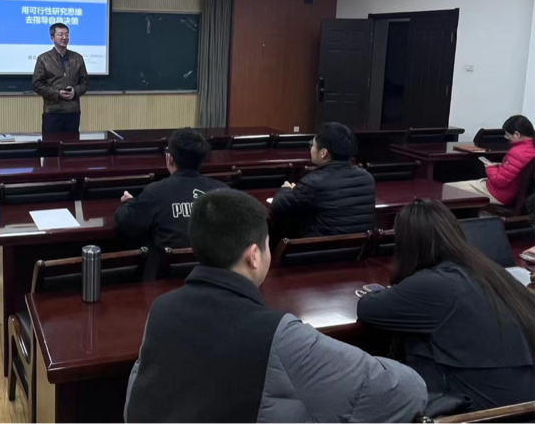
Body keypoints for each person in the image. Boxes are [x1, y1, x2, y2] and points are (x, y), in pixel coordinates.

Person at [124, 190, 427, 424]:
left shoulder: (161, 310)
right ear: (254, 256)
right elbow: (406, 392)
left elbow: (135, 400)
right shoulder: (280, 335)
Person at [357, 200, 535, 411]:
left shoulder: (434, 283)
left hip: (480, 411)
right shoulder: (491, 271)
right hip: (522, 405)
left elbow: (367, 308)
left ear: (407, 245)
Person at [115, 128, 229, 278]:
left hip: (166, 282)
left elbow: (124, 224)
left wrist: (129, 203)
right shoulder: (223, 191)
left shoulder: (155, 192)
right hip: (213, 278)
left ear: (170, 158)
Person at [270, 122, 376, 238]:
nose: (311, 148)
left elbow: (278, 206)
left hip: (322, 247)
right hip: (359, 247)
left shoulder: (313, 182)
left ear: (323, 153)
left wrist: (286, 189)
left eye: (312, 145)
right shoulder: (367, 178)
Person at [448, 115, 535, 206]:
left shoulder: (517, 152)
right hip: (511, 194)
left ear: (517, 134)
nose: (507, 138)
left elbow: (499, 181)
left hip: (498, 193)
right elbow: (516, 169)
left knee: (448, 188)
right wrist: (500, 166)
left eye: (507, 135)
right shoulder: (531, 148)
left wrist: (490, 167)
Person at [31, 23, 89, 133]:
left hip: (73, 112)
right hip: (52, 111)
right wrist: (57, 93)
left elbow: (84, 83)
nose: (64, 37)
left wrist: (75, 91)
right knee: (51, 143)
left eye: (67, 34)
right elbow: (36, 84)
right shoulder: (43, 58)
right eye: (61, 34)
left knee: (71, 143)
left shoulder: (77, 58)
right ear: (52, 38)